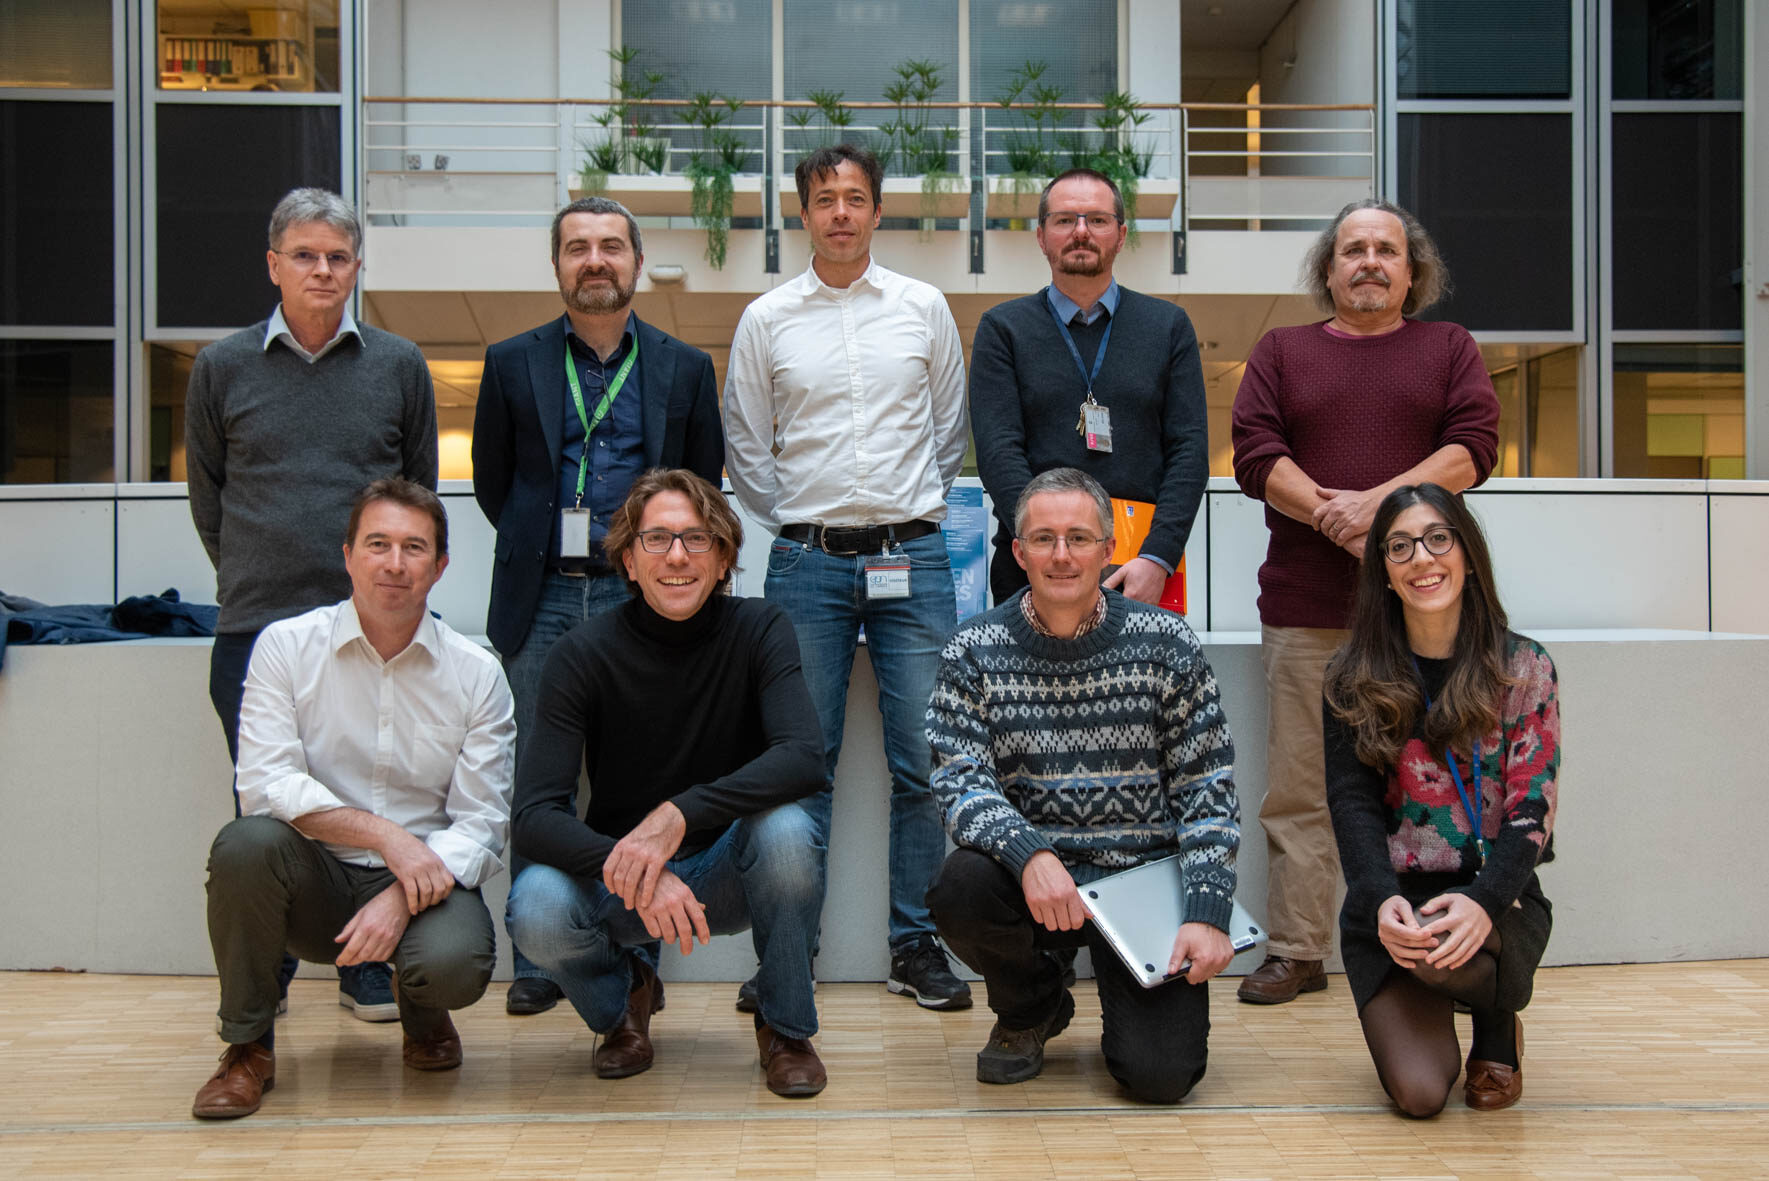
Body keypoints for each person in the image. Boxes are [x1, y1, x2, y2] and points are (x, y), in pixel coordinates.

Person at [1230, 198, 1499, 1004]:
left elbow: (1472, 447)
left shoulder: (1448, 348)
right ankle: (1298, 949)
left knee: (1432, 782)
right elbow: (1255, 454)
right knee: (1301, 788)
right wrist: (1327, 512)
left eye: (1386, 249)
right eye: (1352, 249)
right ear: (1328, 269)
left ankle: (1427, 940)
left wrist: (1377, 515)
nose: (1369, 261)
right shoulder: (1281, 350)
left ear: (1412, 271)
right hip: (1306, 608)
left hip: (1427, 616)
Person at [723, 144, 971, 1011]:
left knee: (926, 766)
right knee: (799, 764)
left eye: (855, 198)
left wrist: (899, 512)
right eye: (823, 199)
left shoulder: (922, 308)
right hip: (804, 564)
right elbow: (749, 455)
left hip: (915, 556)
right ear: (802, 213)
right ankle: (791, 957)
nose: (839, 212)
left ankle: (915, 945)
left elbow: (948, 436)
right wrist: (808, 515)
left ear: (876, 211)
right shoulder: (766, 320)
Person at [185, 187, 439, 1022]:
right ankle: (264, 978)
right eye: (305, 255)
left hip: (374, 630)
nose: (322, 270)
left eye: (337, 257)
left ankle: (363, 966)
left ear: (357, 267)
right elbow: (209, 495)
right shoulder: (221, 366)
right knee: (263, 801)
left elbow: (417, 492)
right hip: (257, 625)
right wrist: (258, 572)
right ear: (273, 265)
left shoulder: (398, 365)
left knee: (371, 791)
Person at [192, 479, 515, 1119]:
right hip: (315, 880)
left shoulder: (477, 672)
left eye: (414, 548)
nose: (395, 564)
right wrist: (387, 838)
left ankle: (426, 1018)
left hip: (425, 887)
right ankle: (247, 1048)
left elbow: (482, 822)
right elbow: (265, 783)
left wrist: (402, 892)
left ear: (440, 566)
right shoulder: (286, 647)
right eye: (378, 544)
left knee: (454, 962)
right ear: (348, 555)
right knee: (244, 845)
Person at [473, 195, 724, 1016]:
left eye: (611, 246)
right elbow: (493, 483)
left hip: (639, 599)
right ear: (557, 265)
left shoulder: (683, 368)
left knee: (636, 775)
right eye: (577, 247)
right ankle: (539, 959)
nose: (595, 260)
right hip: (540, 593)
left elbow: (701, 487)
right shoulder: (511, 363)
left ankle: (634, 944)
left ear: (635, 262)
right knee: (535, 783)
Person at [507, 470, 830, 1097]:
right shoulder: (580, 653)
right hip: (623, 880)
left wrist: (678, 815)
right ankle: (624, 1002)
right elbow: (534, 815)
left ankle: (786, 1028)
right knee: (537, 905)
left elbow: (803, 758)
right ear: (628, 561)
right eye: (656, 539)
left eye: (697, 538)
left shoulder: (761, 629)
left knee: (790, 830)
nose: (677, 556)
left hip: (726, 871)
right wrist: (635, 865)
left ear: (724, 559)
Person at [925, 468, 1240, 1103]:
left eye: (1078, 537)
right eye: (1042, 539)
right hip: (1041, 886)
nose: (1061, 555)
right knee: (961, 885)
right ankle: (1031, 1007)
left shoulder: (1167, 643)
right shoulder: (973, 650)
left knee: (1161, 1078)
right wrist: (1030, 853)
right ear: (1017, 552)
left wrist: (1208, 912)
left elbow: (1207, 788)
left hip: (1143, 883)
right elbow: (959, 783)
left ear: (1109, 549)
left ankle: (1131, 1011)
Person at [1323, 483, 1557, 1115]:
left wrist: (1484, 904)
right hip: (1396, 902)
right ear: (1386, 575)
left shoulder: (1524, 666)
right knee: (1421, 1095)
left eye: (1437, 539)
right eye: (1399, 547)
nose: (1421, 558)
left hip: (1496, 897)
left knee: (1455, 942)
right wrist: (1380, 900)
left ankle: (1496, 1020)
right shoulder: (1352, 675)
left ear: (1467, 553)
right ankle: (1458, 987)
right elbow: (1351, 804)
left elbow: (1532, 810)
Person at [970, 168, 1208, 605]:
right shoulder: (1003, 329)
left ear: (1121, 234)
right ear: (1041, 236)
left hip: (1139, 572)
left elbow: (1189, 454)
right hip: (1032, 575)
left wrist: (1159, 558)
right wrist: (1046, 545)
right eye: (1065, 220)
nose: (1081, 231)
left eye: (1096, 220)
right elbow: (999, 453)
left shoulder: (1168, 327)